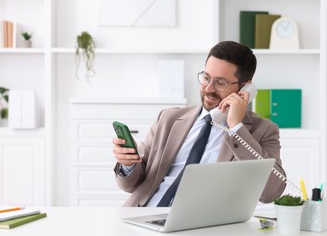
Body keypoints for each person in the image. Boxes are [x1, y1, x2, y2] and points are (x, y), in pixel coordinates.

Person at [112, 40, 286, 207]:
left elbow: (271, 192)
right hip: (143, 216)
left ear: (244, 88)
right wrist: (129, 164)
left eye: (221, 82)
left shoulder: (263, 131)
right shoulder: (168, 119)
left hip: (200, 225)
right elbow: (132, 185)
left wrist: (236, 127)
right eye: (206, 78)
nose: (209, 88)